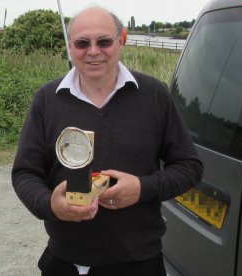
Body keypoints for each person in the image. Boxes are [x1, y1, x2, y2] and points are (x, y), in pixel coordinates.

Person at [11, 6, 203, 276]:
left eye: (104, 41)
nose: (93, 51)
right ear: (70, 46)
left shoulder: (154, 96)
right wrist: (49, 203)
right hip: (64, 260)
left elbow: (189, 167)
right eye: (82, 43)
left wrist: (142, 187)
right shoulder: (47, 99)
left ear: (122, 40)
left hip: (139, 262)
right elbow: (25, 172)